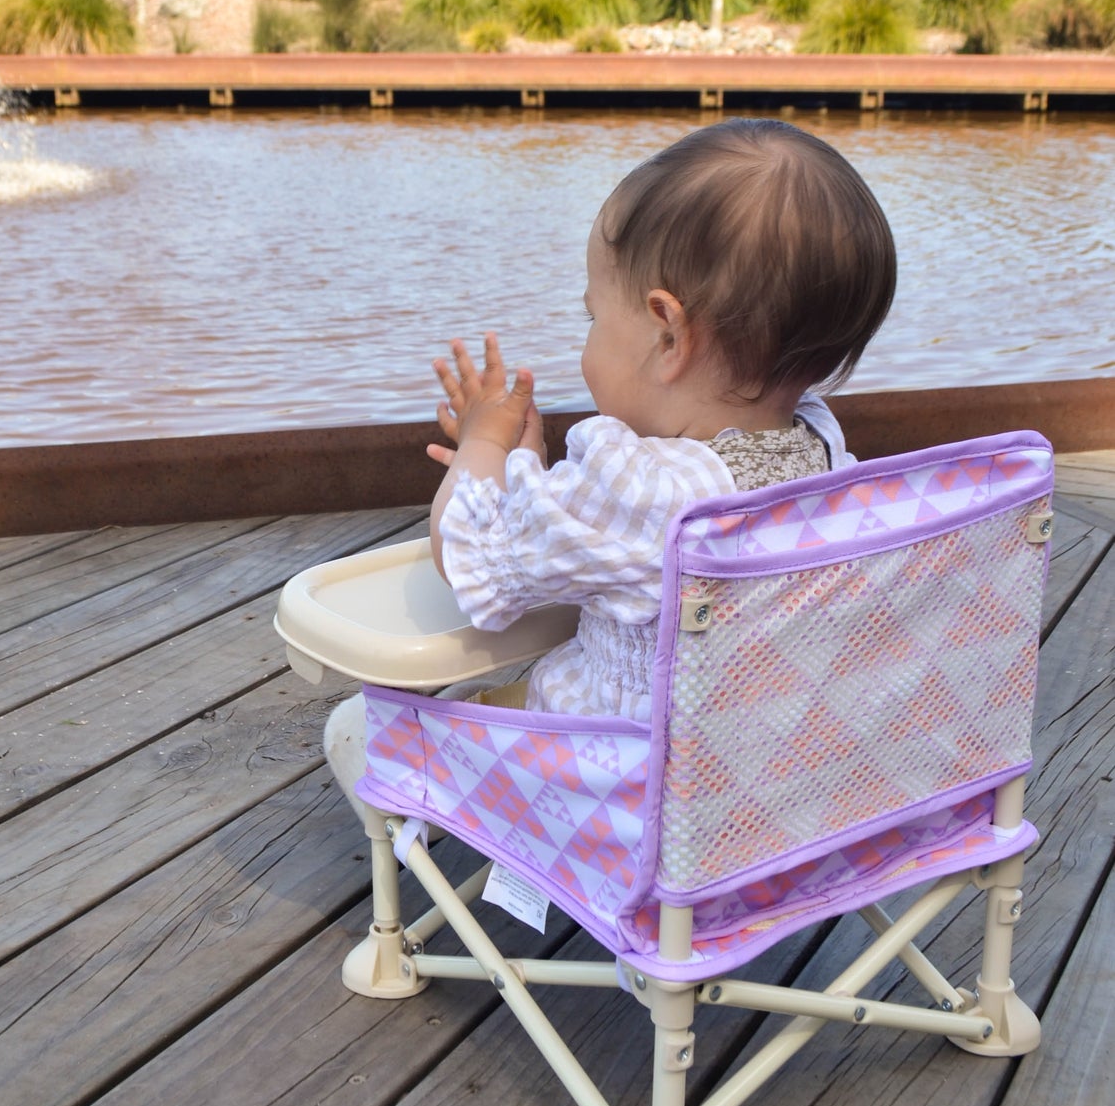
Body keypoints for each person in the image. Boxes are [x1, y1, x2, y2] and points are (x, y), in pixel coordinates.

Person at [321, 118, 896, 802]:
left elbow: (468, 559)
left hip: (626, 802)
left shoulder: (633, 489)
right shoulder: (823, 450)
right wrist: (529, 470)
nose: (587, 338)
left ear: (666, 334)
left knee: (356, 727)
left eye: (593, 316)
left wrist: (483, 445)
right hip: (770, 795)